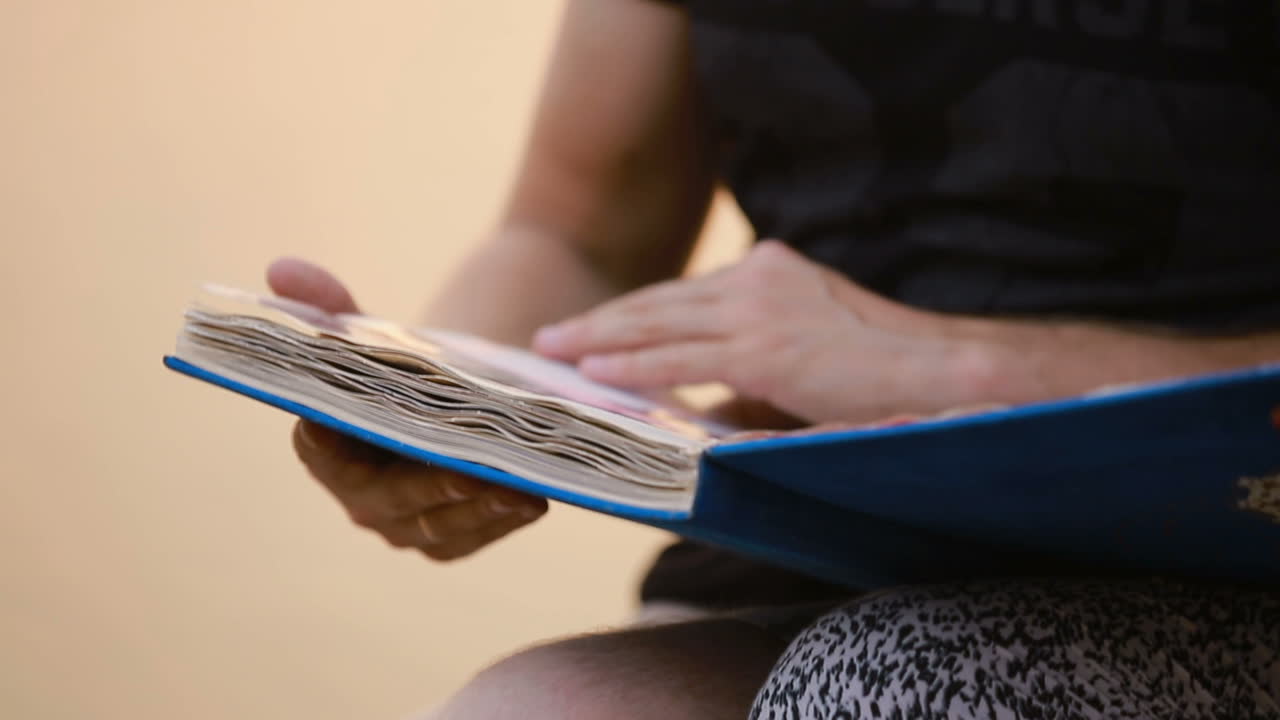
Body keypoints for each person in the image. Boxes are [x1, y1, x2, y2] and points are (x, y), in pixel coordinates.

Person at [268, 0, 1280, 717]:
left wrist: (973, 369)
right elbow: (579, 234)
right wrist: (435, 406)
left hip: (1226, 567)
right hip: (808, 544)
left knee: (888, 684)